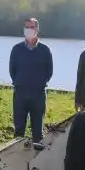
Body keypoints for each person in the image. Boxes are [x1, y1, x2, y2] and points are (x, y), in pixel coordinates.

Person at [8, 18, 53, 150]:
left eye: (31, 27)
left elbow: (49, 71)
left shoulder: (45, 50)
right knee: (19, 129)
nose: (28, 30)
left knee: (38, 130)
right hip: (20, 94)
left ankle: (37, 159)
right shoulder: (16, 49)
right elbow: (12, 70)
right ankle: (16, 157)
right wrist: (19, 82)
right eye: (26, 27)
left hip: (38, 95)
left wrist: (40, 83)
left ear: (37, 30)